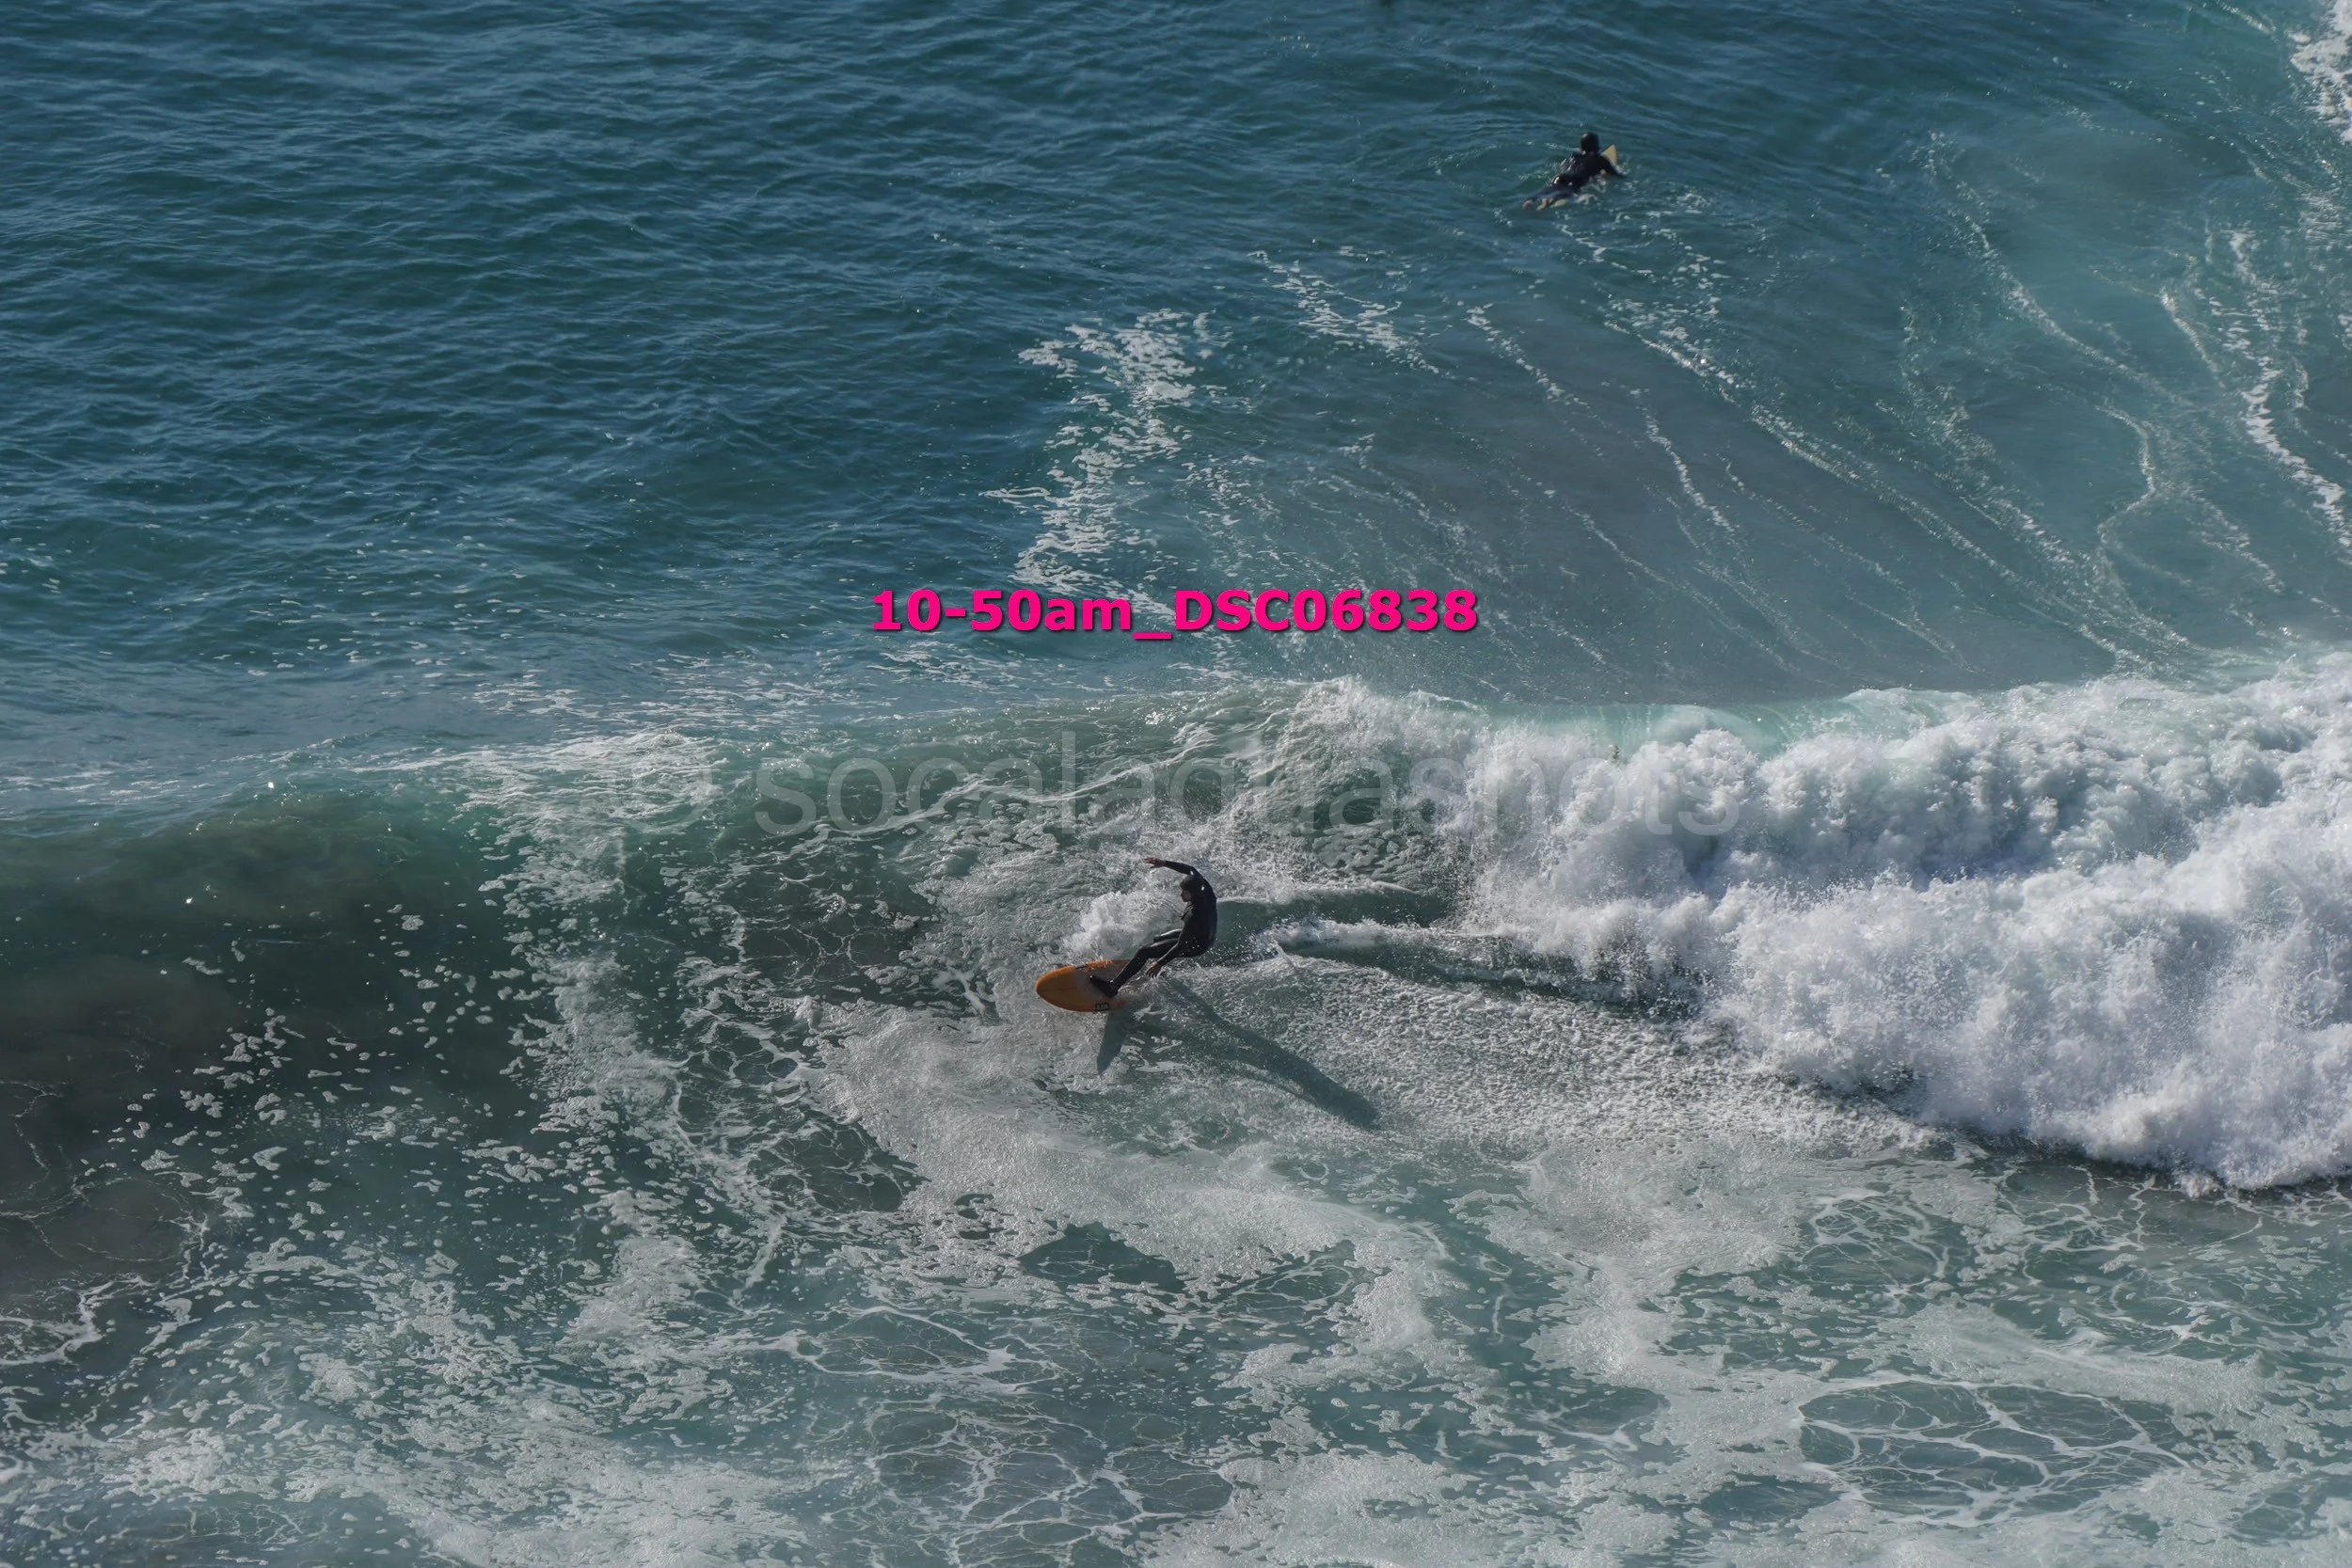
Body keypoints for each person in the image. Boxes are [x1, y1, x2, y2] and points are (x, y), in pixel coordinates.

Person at [1092, 857, 1216, 998]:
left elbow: (1181, 945)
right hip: (1202, 936)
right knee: (1159, 939)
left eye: (1185, 892)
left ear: (1194, 894)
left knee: (1143, 952)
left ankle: (1113, 987)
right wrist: (1164, 863)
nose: (1181, 894)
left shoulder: (1196, 915)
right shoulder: (1204, 888)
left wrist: (1160, 963)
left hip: (1196, 945)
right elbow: (1191, 870)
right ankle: (1147, 964)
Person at [1525, 133, 1625, 210]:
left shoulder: (1572, 157)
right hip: (1576, 180)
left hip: (1559, 176)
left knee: (1549, 189)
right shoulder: (1600, 159)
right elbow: (1615, 174)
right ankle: (1548, 203)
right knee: (1565, 193)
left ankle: (1531, 200)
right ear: (1596, 146)